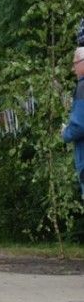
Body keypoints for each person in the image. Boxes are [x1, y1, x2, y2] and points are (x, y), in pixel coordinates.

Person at [62, 46, 84, 200]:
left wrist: (65, 132)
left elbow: (79, 126)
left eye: (74, 63)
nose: (73, 69)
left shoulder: (82, 88)